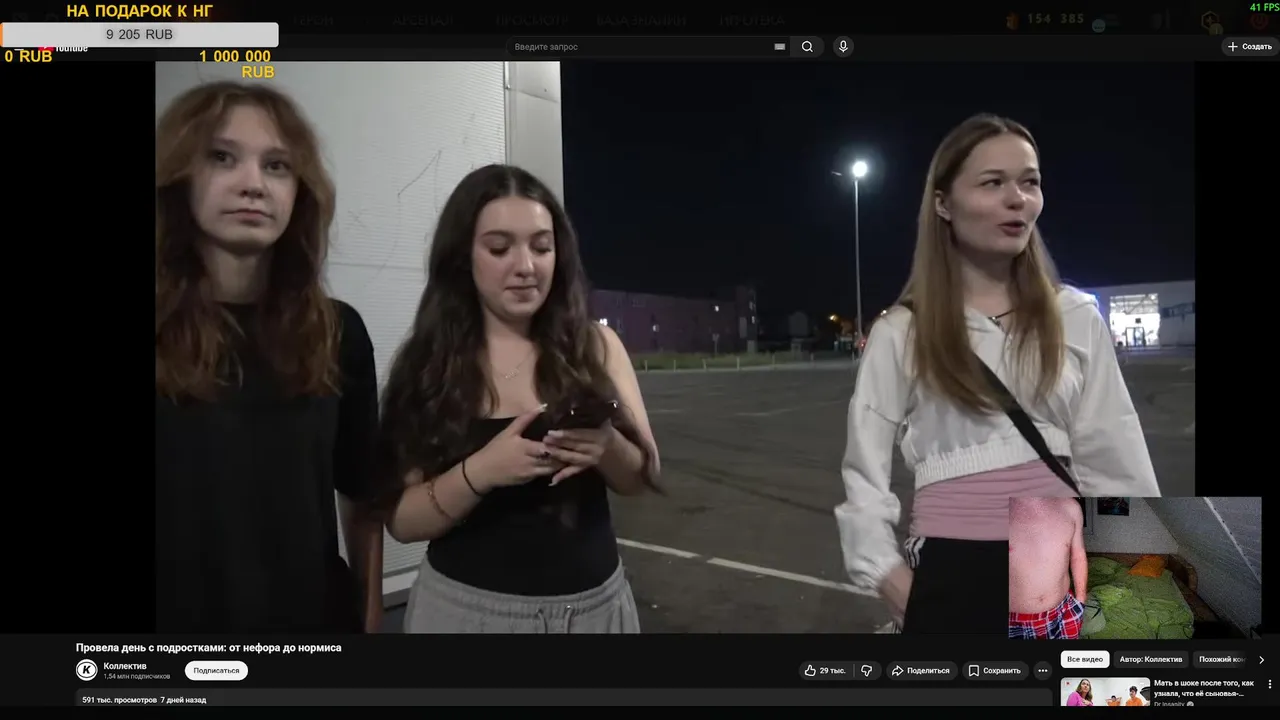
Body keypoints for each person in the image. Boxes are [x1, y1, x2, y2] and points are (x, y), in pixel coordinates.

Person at [833, 113, 1161, 635]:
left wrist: (1136, 579)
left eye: (1030, 182)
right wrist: (887, 574)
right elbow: (864, 474)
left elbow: (1115, 455)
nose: (1018, 199)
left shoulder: (1075, 316)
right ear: (943, 203)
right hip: (950, 574)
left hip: (1059, 575)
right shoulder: (901, 332)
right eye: (993, 183)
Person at [376, 164, 661, 634]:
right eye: (499, 248)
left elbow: (643, 476)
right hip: (464, 618)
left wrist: (608, 446)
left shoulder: (596, 347)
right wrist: (481, 471)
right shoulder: (429, 365)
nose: (526, 267)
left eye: (541, 247)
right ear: (462, 257)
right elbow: (402, 522)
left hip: (595, 614)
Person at [155, 82, 386, 633]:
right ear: (179, 176)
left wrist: (370, 617)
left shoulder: (338, 333)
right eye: (222, 157)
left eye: (277, 165)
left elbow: (362, 496)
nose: (253, 184)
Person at [1008, 498, 1087, 639]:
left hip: (1064, 612)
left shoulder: (1071, 507)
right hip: (1013, 624)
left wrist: (1081, 600)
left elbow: (1078, 556)